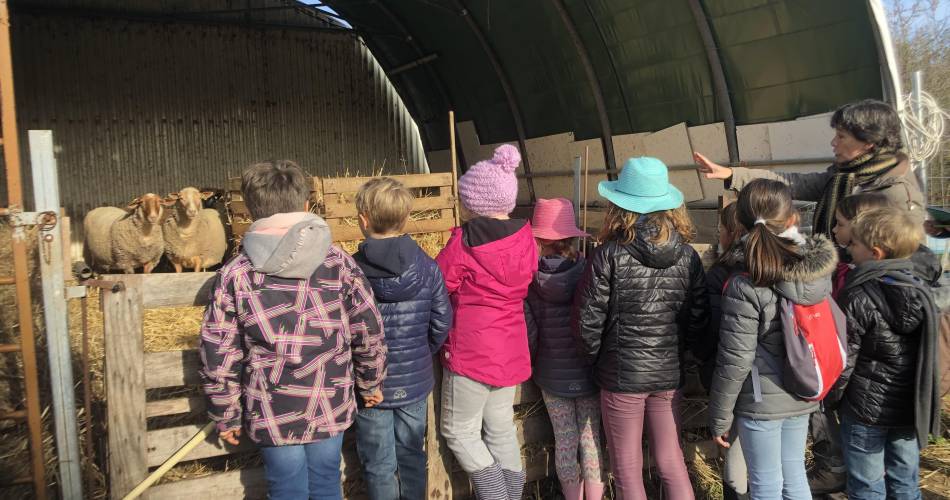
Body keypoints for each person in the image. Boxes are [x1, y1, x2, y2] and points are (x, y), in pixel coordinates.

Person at [199, 160, 387, 500]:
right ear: (304, 206)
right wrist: (371, 381)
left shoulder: (236, 274)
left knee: (286, 489)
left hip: (273, 407)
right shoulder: (338, 263)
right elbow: (368, 327)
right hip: (327, 400)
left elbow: (219, 351)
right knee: (328, 483)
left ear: (253, 210)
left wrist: (226, 413)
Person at [574, 157, 708, 500]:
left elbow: (588, 319)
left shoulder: (609, 254)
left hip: (622, 376)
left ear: (621, 207)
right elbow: (698, 316)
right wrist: (683, 354)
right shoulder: (688, 256)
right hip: (669, 374)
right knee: (671, 459)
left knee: (627, 468)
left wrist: (596, 361)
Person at [708, 179, 836, 500]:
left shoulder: (745, 281)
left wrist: (720, 416)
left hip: (761, 400)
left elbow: (735, 359)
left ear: (743, 219)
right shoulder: (813, 273)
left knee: (765, 483)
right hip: (803, 391)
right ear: (791, 218)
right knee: (794, 474)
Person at [435, 144, 539, 500]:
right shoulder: (526, 239)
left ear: (475, 204)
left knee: (458, 430)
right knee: (500, 428)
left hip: (472, 351)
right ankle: (513, 495)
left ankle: (495, 493)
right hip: (509, 347)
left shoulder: (463, 244)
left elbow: (438, 283)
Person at [827, 208, 941, 500]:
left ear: (875, 252)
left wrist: (833, 398)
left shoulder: (857, 294)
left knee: (866, 484)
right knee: (905, 479)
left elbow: (845, 357)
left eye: (853, 244)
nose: (848, 249)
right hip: (909, 408)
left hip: (865, 409)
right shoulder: (924, 292)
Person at [352, 177, 453, 500]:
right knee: (412, 454)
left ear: (363, 219)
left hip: (370, 388)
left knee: (379, 463)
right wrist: (422, 353)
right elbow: (441, 321)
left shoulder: (351, 272)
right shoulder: (428, 267)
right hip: (414, 381)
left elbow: (345, 329)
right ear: (406, 218)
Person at [695, 99, 924, 238]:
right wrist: (734, 175)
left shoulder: (898, 196)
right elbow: (791, 182)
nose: (834, 143)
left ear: (869, 143)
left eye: (841, 137)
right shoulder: (842, 177)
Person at [523, 197, 604, 500]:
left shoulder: (531, 280)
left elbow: (530, 332)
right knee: (591, 438)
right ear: (571, 237)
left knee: (565, 441)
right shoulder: (589, 273)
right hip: (587, 373)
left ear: (539, 239)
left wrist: (534, 362)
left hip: (551, 375)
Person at [693, 202, 748, 500]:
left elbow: (710, 328)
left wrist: (703, 361)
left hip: (733, 377)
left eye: (721, 228)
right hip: (775, 383)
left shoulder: (721, 274)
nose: (718, 232)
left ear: (734, 232)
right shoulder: (776, 266)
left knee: (736, 449)